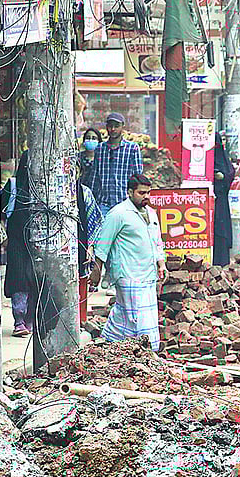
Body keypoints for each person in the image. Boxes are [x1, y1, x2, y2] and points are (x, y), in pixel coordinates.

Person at [91, 174, 166, 351]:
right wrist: (96, 271)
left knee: (127, 315)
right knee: (137, 317)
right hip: (127, 274)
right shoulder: (118, 214)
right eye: (141, 193)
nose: (146, 196)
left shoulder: (152, 213)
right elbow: (103, 244)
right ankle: (147, 352)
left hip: (148, 275)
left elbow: (157, 242)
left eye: (148, 192)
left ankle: (109, 344)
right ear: (130, 192)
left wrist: (161, 264)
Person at [2, 152, 36, 336]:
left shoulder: (44, 189)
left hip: (37, 243)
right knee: (19, 280)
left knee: (34, 280)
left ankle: (30, 320)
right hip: (16, 242)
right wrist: (3, 237)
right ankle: (20, 320)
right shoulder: (13, 186)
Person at [75, 130, 106, 324]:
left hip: (81, 240)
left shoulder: (84, 193)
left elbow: (96, 222)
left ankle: (81, 317)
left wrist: (91, 245)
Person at [87, 112, 143, 214]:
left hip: (125, 203)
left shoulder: (132, 148)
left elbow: (137, 177)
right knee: (103, 229)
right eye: (110, 126)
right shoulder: (100, 148)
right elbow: (95, 177)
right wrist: (91, 201)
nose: (113, 129)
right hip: (103, 204)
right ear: (107, 127)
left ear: (123, 127)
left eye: (116, 126)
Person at [212, 134, 235, 267]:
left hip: (220, 202)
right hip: (203, 200)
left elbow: (230, 173)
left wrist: (222, 176)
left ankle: (221, 264)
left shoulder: (222, 157)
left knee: (220, 231)